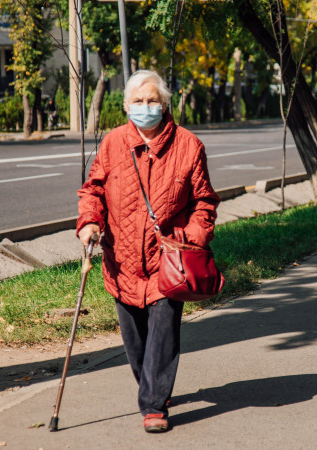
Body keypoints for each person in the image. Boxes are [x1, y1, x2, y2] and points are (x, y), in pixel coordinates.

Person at [76, 70, 220, 433]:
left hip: (168, 261)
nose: (146, 107)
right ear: (126, 106)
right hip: (121, 261)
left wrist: (191, 237)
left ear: (165, 104)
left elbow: (205, 202)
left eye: (152, 100)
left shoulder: (189, 146)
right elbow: (91, 190)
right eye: (138, 101)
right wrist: (90, 223)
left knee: (164, 332)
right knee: (136, 343)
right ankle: (151, 386)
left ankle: (154, 405)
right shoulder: (112, 144)